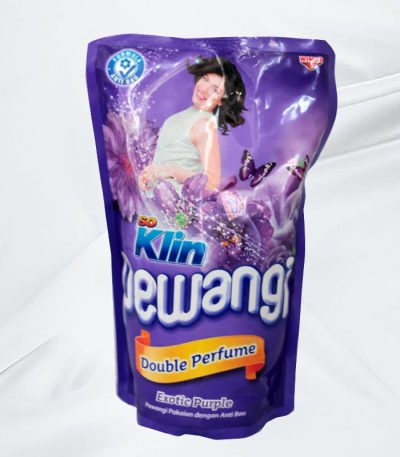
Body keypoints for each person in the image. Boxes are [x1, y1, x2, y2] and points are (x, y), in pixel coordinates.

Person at [138, 55, 247, 193]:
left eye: (215, 89)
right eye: (205, 79)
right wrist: (147, 176)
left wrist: (169, 170)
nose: (204, 89)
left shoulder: (204, 125)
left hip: (175, 200)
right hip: (156, 196)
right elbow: (163, 158)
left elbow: (211, 184)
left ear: (222, 100)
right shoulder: (188, 115)